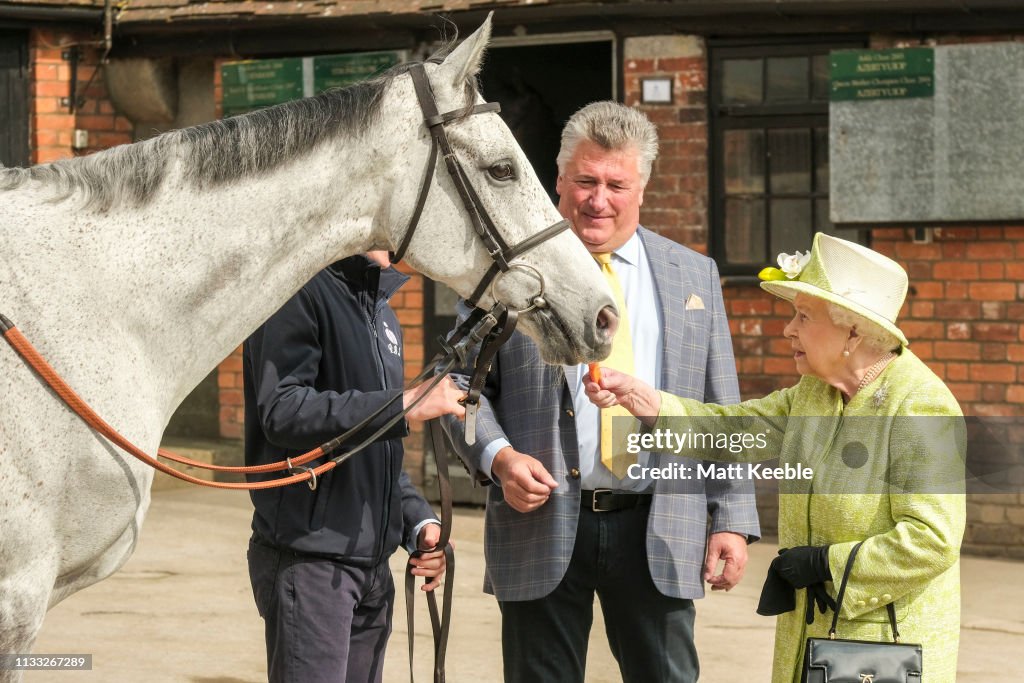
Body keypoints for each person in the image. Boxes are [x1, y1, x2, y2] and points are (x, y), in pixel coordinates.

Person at [444, 101, 760, 683]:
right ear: (558, 179)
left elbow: (722, 408)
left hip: (659, 524)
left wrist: (732, 519)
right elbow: (459, 383)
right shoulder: (507, 272)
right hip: (540, 522)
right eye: (585, 181)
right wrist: (499, 457)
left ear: (642, 187)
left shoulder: (694, 275)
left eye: (617, 184)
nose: (598, 199)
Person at [587, 233, 966, 683]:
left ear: (853, 331)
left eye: (803, 316)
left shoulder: (921, 405)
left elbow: (932, 539)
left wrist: (826, 565)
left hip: (887, 649)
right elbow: (732, 431)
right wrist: (645, 400)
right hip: (814, 637)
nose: (788, 329)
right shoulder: (815, 393)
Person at [242, 251, 466, 683]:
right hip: (310, 564)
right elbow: (283, 411)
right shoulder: (295, 291)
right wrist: (406, 402)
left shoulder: (381, 315)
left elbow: (373, 455)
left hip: (372, 569)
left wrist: (420, 526)